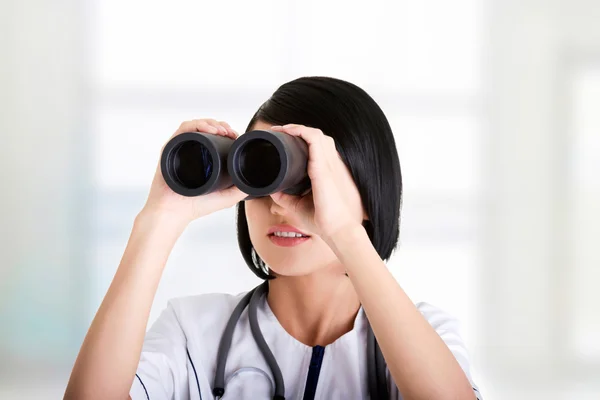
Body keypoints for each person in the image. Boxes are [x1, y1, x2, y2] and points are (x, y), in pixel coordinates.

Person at [64, 76, 482, 400]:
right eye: (261, 176)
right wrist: (159, 220)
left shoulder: (423, 336)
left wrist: (345, 233)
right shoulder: (195, 333)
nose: (280, 206)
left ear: (370, 192)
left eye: (309, 181)